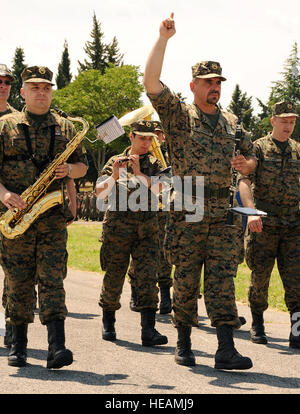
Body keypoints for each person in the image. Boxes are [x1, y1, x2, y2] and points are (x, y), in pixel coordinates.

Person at [143, 13, 256, 369]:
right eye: (207, 81)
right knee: (187, 277)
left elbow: (251, 159)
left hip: (223, 212)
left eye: (218, 81)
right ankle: (184, 342)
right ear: (193, 85)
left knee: (223, 276)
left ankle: (225, 348)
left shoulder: (233, 123)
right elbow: (150, 82)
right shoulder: (178, 115)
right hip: (188, 208)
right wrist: (163, 39)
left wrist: (247, 166)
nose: (214, 87)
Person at [0, 65, 88, 368]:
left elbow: (83, 167)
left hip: (51, 217)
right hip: (17, 216)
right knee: (18, 280)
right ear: (23, 92)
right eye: (35, 88)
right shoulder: (5, 126)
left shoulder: (66, 127)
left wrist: (69, 171)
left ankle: (57, 347)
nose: (41, 92)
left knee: (53, 279)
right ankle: (19, 346)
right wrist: (3, 194)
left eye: (47, 88)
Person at [96, 120, 168, 347]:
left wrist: (138, 172)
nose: (146, 143)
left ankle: (149, 330)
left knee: (148, 277)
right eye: (142, 138)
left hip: (147, 230)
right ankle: (109, 322)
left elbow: (162, 190)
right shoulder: (114, 161)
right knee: (114, 275)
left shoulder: (156, 164)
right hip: (118, 229)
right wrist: (115, 174)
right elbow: (99, 192)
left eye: (150, 139)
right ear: (131, 137)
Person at [238, 101, 300, 348]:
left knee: (296, 279)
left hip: (293, 224)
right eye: (284, 121)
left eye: (292, 121)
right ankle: (258, 323)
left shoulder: (298, 149)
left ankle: (296, 329)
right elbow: (244, 181)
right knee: (260, 276)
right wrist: (251, 213)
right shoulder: (259, 148)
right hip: (263, 224)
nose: (289, 126)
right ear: (273, 121)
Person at [128, 120, 173, 314]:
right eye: (147, 136)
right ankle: (135, 292)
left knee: (164, 255)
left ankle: (165, 297)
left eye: (156, 136)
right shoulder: (129, 157)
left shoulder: (164, 159)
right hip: (135, 212)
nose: (152, 140)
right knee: (136, 257)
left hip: (162, 212)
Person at [0, 63, 18, 349]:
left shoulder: (19, 120)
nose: (2, 85)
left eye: (7, 81)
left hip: (12, 209)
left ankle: (11, 328)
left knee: (13, 270)